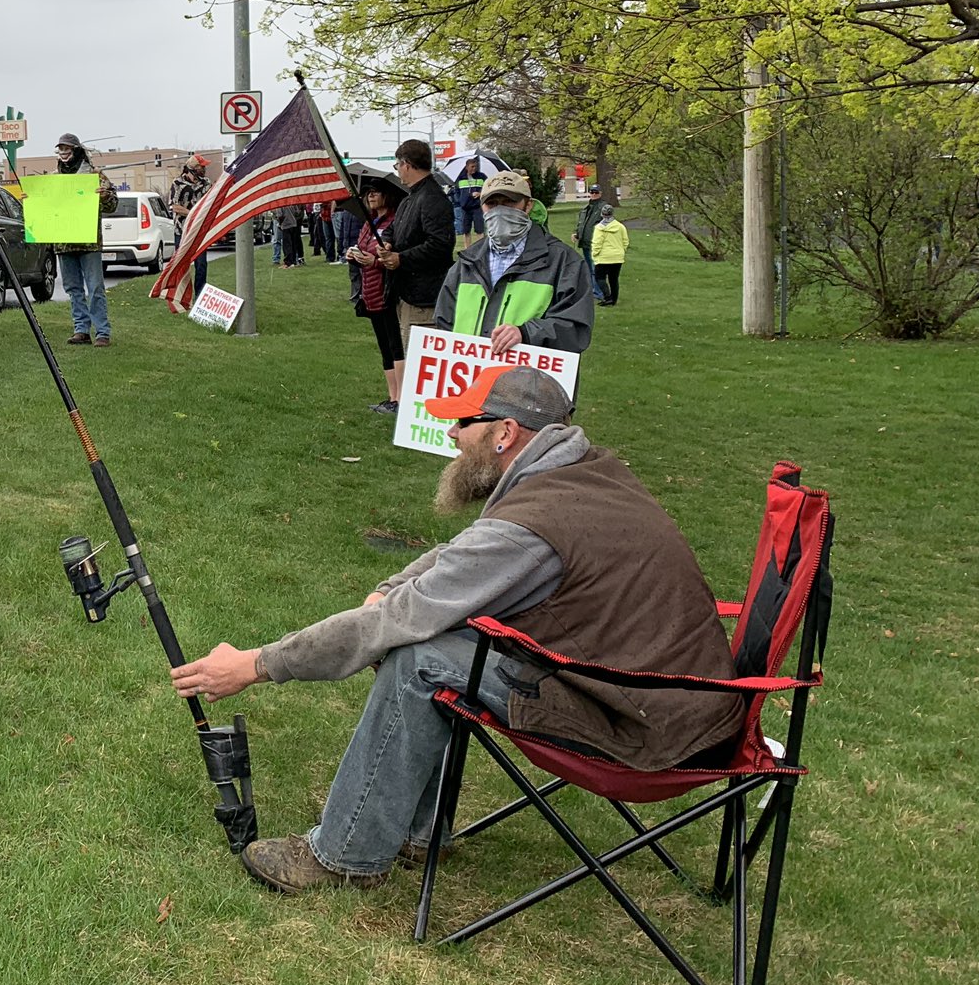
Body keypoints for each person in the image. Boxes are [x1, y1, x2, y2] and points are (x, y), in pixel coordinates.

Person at [168, 365, 747, 893]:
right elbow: (459, 554)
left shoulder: (532, 526)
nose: (451, 435)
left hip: (649, 727)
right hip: (666, 697)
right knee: (427, 637)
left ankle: (346, 856)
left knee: (417, 659)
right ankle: (418, 834)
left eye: (464, 423)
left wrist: (256, 664)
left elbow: (406, 615)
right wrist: (393, 588)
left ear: (505, 434)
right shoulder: (576, 471)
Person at [432, 169, 593, 356]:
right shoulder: (466, 263)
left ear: (528, 205)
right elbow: (444, 324)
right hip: (470, 372)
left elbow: (575, 327)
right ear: (482, 207)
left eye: (509, 202)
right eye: (492, 204)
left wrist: (526, 334)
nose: (500, 211)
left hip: (529, 374)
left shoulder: (564, 262)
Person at [374, 139, 456, 396]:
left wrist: (402, 258)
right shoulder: (410, 198)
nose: (398, 170)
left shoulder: (433, 198)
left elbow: (440, 245)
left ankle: (422, 407)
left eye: (398, 165)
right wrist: (387, 243)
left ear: (407, 164)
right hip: (406, 292)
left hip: (425, 296)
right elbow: (393, 229)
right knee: (409, 352)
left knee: (422, 361)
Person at [52, 132, 120, 346]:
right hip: (63, 243)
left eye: (67, 148)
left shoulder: (94, 175)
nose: (63, 153)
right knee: (73, 289)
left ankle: (102, 332)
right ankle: (81, 330)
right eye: (60, 149)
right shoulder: (52, 179)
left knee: (95, 287)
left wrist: (105, 196)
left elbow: (113, 205)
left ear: (76, 150)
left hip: (89, 242)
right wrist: (32, 199)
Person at [344, 174, 406, 413]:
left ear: (387, 196)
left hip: (388, 292)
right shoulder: (369, 222)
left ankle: (401, 399)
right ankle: (392, 396)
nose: (370, 196)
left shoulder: (393, 222)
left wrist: (375, 262)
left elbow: (394, 257)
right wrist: (354, 256)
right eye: (368, 192)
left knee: (395, 344)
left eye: (375, 192)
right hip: (370, 293)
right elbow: (363, 249)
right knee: (384, 346)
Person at [167, 156, 211, 295]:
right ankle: (181, 295)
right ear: (192, 168)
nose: (204, 169)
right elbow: (174, 206)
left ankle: (199, 295)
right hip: (182, 231)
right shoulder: (177, 183)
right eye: (201, 166)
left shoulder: (206, 183)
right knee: (181, 264)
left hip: (199, 231)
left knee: (201, 264)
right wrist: (193, 214)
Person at [591, 201, 629, 306]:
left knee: (600, 278)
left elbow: (597, 243)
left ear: (602, 214)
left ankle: (607, 297)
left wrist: (595, 254)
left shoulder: (599, 228)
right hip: (617, 257)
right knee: (614, 279)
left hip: (603, 257)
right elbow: (625, 241)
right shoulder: (620, 226)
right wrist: (621, 251)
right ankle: (614, 299)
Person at [451, 155, 489, 249]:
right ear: (467, 167)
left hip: (477, 207)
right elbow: (456, 191)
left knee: (479, 230)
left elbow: (488, 188)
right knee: (466, 230)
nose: (474, 168)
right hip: (465, 208)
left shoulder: (482, 177)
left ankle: (480, 249)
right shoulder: (460, 178)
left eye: (475, 166)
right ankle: (467, 249)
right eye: (472, 166)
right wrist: (460, 200)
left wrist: (480, 194)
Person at [574, 184, 604, 287]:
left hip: (595, 243)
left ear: (600, 193)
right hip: (585, 242)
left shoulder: (603, 207)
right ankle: (591, 289)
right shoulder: (586, 208)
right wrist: (577, 233)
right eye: (592, 192)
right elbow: (582, 223)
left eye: (596, 192)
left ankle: (598, 292)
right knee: (589, 268)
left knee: (595, 269)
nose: (594, 194)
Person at [277, 203, 305, 267]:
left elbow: (280, 215)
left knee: (287, 244)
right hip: (293, 224)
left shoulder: (280, 203)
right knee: (293, 244)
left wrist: (280, 223)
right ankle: (294, 261)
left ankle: (288, 262)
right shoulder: (291, 202)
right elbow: (297, 212)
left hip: (286, 225)